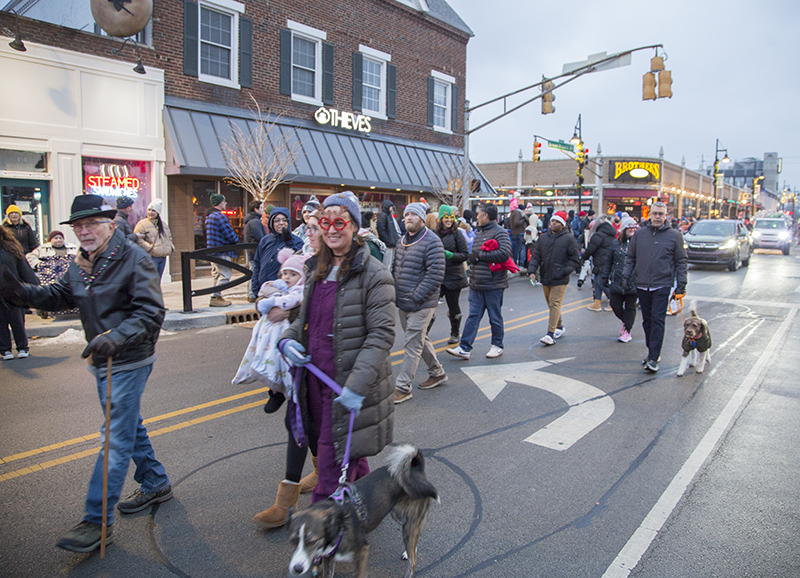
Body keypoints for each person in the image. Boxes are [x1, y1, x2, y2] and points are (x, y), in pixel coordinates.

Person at [0, 194, 171, 553]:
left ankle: (97, 520)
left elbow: (151, 311)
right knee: (126, 425)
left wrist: (116, 337)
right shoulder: (81, 263)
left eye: (91, 224)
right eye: (78, 226)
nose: (84, 231)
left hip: (129, 359)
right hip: (101, 358)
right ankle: (156, 481)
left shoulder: (133, 257)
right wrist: (20, 293)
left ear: (111, 223)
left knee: (115, 438)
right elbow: (60, 295)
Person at [279, 191, 396, 503]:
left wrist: (356, 387)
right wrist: (288, 339)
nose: (331, 228)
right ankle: (369, 502)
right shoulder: (315, 268)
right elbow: (303, 320)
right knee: (348, 451)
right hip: (315, 381)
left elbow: (382, 334)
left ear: (354, 226)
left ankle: (321, 543)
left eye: (339, 222)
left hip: (346, 386)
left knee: (331, 464)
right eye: (324, 222)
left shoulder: (375, 274)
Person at [392, 202, 447, 404]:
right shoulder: (401, 241)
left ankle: (403, 387)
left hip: (422, 303)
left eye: (414, 214)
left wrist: (416, 296)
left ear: (423, 219)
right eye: (406, 214)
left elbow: (435, 274)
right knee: (419, 339)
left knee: (412, 344)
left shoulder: (432, 241)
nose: (409, 218)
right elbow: (394, 269)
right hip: (403, 301)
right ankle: (437, 372)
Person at [623, 201, 688, 372]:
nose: (657, 217)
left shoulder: (674, 236)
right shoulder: (640, 234)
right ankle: (652, 351)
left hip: (662, 284)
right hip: (642, 284)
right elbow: (631, 258)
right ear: (649, 214)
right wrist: (626, 276)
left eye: (661, 214)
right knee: (647, 322)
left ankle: (653, 358)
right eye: (654, 213)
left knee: (658, 320)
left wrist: (681, 283)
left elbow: (681, 261)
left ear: (666, 216)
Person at [446, 203, 511, 360]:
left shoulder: (500, 232)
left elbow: (505, 253)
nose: (477, 217)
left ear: (486, 216)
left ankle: (497, 345)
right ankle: (465, 348)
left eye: (479, 214)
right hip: (476, 284)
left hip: (493, 284)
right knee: (473, 316)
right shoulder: (479, 232)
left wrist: (480, 256)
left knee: (494, 316)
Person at [528, 210, 580, 346]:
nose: (553, 224)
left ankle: (550, 334)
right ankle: (560, 326)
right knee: (551, 304)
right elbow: (536, 255)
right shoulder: (543, 238)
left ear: (562, 224)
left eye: (557, 222)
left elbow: (574, 259)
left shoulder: (569, 239)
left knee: (554, 303)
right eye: (552, 221)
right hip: (546, 275)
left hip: (560, 278)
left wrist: (564, 271)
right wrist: (532, 270)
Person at [0, 225, 39, 359]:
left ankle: (22, 347)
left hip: (14, 291)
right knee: (1, 323)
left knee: (17, 321)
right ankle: (5, 350)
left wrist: (36, 288)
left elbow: (24, 269)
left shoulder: (12, 248)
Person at [251, 207, 304, 298]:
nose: (281, 223)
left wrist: (289, 242)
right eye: (277, 220)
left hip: (283, 292)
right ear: (272, 223)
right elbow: (257, 263)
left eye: (284, 220)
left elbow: (298, 263)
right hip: (264, 289)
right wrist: (255, 286)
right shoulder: (265, 240)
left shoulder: (297, 241)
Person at [602, 216, 639, 343]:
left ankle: (627, 330)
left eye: (634, 227)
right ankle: (625, 321)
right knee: (615, 305)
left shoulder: (639, 244)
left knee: (630, 307)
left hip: (633, 281)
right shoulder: (615, 244)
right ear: (623, 229)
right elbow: (608, 262)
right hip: (617, 280)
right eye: (629, 227)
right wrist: (604, 277)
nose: (631, 230)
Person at [26, 230, 79, 318]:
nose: (58, 240)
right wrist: (38, 264)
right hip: (51, 276)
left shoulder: (72, 248)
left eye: (60, 238)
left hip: (68, 275)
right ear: (50, 240)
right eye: (56, 238)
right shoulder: (42, 249)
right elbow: (29, 256)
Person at [436, 205, 469, 344]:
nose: (448, 220)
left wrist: (450, 255)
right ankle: (422, 335)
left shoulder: (457, 234)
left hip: (454, 276)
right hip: (437, 276)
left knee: (453, 306)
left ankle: (455, 333)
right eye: (446, 218)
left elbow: (465, 254)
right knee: (428, 306)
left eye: (451, 218)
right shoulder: (434, 233)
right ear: (441, 218)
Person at [205, 192, 239, 307]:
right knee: (225, 275)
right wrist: (236, 239)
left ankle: (217, 297)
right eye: (224, 201)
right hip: (222, 250)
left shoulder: (209, 216)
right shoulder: (219, 216)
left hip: (212, 251)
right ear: (220, 202)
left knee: (216, 275)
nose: (225, 203)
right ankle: (215, 297)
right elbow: (230, 235)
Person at [581, 215, 617, 312]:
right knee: (598, 282)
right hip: (608, 261)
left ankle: (613, 302)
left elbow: (591, 249)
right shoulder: (611, 235)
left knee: (600, 283)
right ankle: (597, 302)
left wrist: (583, 257)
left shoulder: (598, 235)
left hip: (600, 261)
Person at [134, 199, 174, 279]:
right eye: (149, 210)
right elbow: (138, 239)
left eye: (153, 210)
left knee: (158, 281)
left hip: (163, 257)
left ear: (158, 212)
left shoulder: (163, 225)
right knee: (151, 281)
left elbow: (169, 237)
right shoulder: (142, 224)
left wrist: (170, 247)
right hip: (151, 257)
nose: (150, 212)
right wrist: (150, 248)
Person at [244, 200, 266, 301]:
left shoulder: (251, 220)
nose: (263, 210)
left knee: (252, 271)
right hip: (255, 252)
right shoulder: (255, 221)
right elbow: (259, 237)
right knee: (254, 272)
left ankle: (251, 293)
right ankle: (252, 293)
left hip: (252, 251)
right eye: (261, 208)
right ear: (256, 209)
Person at [376, 199, 401, 266]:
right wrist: (388, 241)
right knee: (387, 264)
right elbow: (381, 230)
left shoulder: (388, 216)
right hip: (388, 245)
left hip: (390, 244)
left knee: (390, 263)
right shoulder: (383, 216)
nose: (392, 208)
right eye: (390, 206)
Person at [508, 197, 529, 267]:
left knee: (515, 249)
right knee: (518, 249)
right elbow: (516, 223)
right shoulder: (517, 213)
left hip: (514, 233)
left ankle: (515, 262)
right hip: (518, 233)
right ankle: (516, 263)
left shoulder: (512, 213)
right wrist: (523, 220)